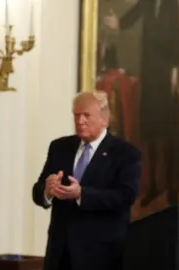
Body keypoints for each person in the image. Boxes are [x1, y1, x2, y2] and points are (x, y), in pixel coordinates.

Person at [32, 91, 141, 270]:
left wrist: (82, 194)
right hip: (60, 254)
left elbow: (125, 197)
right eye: (76, 115)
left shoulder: (125, 153)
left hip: (101, 255)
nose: (80, 121)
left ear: (104, 119)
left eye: (86, 115)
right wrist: (47, 191)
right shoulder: (59, 147)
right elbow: (37, 192)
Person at [104, 0, 179, 206]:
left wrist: (175, 69)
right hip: (148, 72)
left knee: (168, 133)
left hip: (165, 74)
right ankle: (155, 187)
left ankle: (172, 188)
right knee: (150, 131)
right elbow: (131, 16)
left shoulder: (171, 5)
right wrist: (118, 23)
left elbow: (177, 35)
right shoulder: (146, 2)